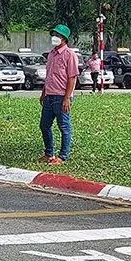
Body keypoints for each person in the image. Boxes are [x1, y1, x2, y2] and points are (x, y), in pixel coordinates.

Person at [39, 25, 79, 164]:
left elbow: (72, 77)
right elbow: (49, 75)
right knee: (44, 125)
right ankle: (49, 153)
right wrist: (43, 93)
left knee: (64, 127)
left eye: (58, 35)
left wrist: (67, 98)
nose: (55, 37)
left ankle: (62, 156)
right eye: (54, 34)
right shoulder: (51, 54)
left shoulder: (69, 54)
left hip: (61, 96)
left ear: (64, 38)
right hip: (49, 95)